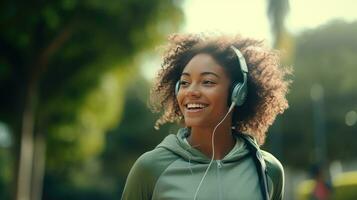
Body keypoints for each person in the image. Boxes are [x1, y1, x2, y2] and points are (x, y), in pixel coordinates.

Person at [121, 33, 291, 200]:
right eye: (185, 83)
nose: (192, 92)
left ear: (237, 93)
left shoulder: (268, 170)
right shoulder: (150, 168)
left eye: (207, 82)